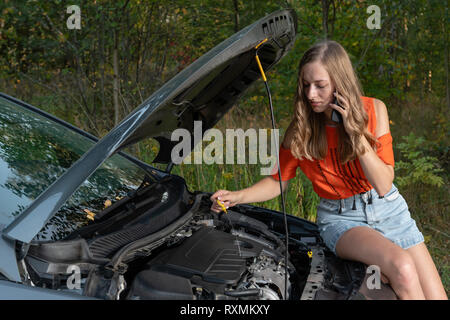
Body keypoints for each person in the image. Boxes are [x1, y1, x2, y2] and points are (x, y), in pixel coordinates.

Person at [210, 40, 447, 300]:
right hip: (341, 218)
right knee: (402, 268)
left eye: (320, 86)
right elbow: (278, 181)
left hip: (389, 210)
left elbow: (383, 184)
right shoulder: (301, 130)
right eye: (305, 85)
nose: (311, 94)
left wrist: (355, 134)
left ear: (339, 83)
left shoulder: (374, 110)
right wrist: (237, 196)